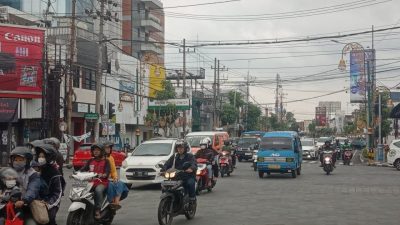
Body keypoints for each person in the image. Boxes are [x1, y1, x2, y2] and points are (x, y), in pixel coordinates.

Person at [9, 146, 41, 225]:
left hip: (26, 205)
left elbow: (33, 189)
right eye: (15, 160)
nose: (17, 162)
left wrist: (24, 200)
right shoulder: (8, 172)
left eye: (20, 160)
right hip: (9, 203)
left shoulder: (33, 174)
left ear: (27, 161)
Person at [34, 143, 64, 225]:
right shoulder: (34, 170)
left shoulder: (55, 173)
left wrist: (48, 203)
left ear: (48, 157)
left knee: (49, 218)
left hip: (51, 201)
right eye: (39, 156)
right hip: (36, 201)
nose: (40, 159)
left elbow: (58, 193)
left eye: (43, 157)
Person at [80, 143, 110, 219]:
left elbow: (107, 172)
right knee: (81, 189)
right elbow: (83, 169)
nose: (95, 152)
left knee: (98, 190)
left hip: (102, 182)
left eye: (98, 150)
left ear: (102, 151)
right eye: (94, 150)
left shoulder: (106, 161)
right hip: (91, 182)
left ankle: (97, 210)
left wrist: (102, 175)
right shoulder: (90, 160)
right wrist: (77, 173)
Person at [103, 141, 129, 210]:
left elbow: (113, 170)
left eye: (109, 148)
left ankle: (116, 202)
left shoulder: (111, 158)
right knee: (111, 185)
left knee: (120, 183)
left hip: (110, 178)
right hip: (103, 179)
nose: (108, 150)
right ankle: (111, 201)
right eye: (106, 148)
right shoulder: (102, 158)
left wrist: (115, 178)